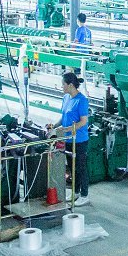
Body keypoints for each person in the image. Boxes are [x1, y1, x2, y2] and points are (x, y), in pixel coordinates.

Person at [52, 71, 90, 205]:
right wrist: (54, 126)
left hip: (79, 140)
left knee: (81, 168)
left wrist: (68, 129)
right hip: (67, 139)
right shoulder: (66, 98)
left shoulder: (81, 100)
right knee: (72, 168)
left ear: (70, 85)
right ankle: (76, 191)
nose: (62, 86)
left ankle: (85, 195)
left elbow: (83, 121)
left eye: (63, 84)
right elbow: (64, 117)